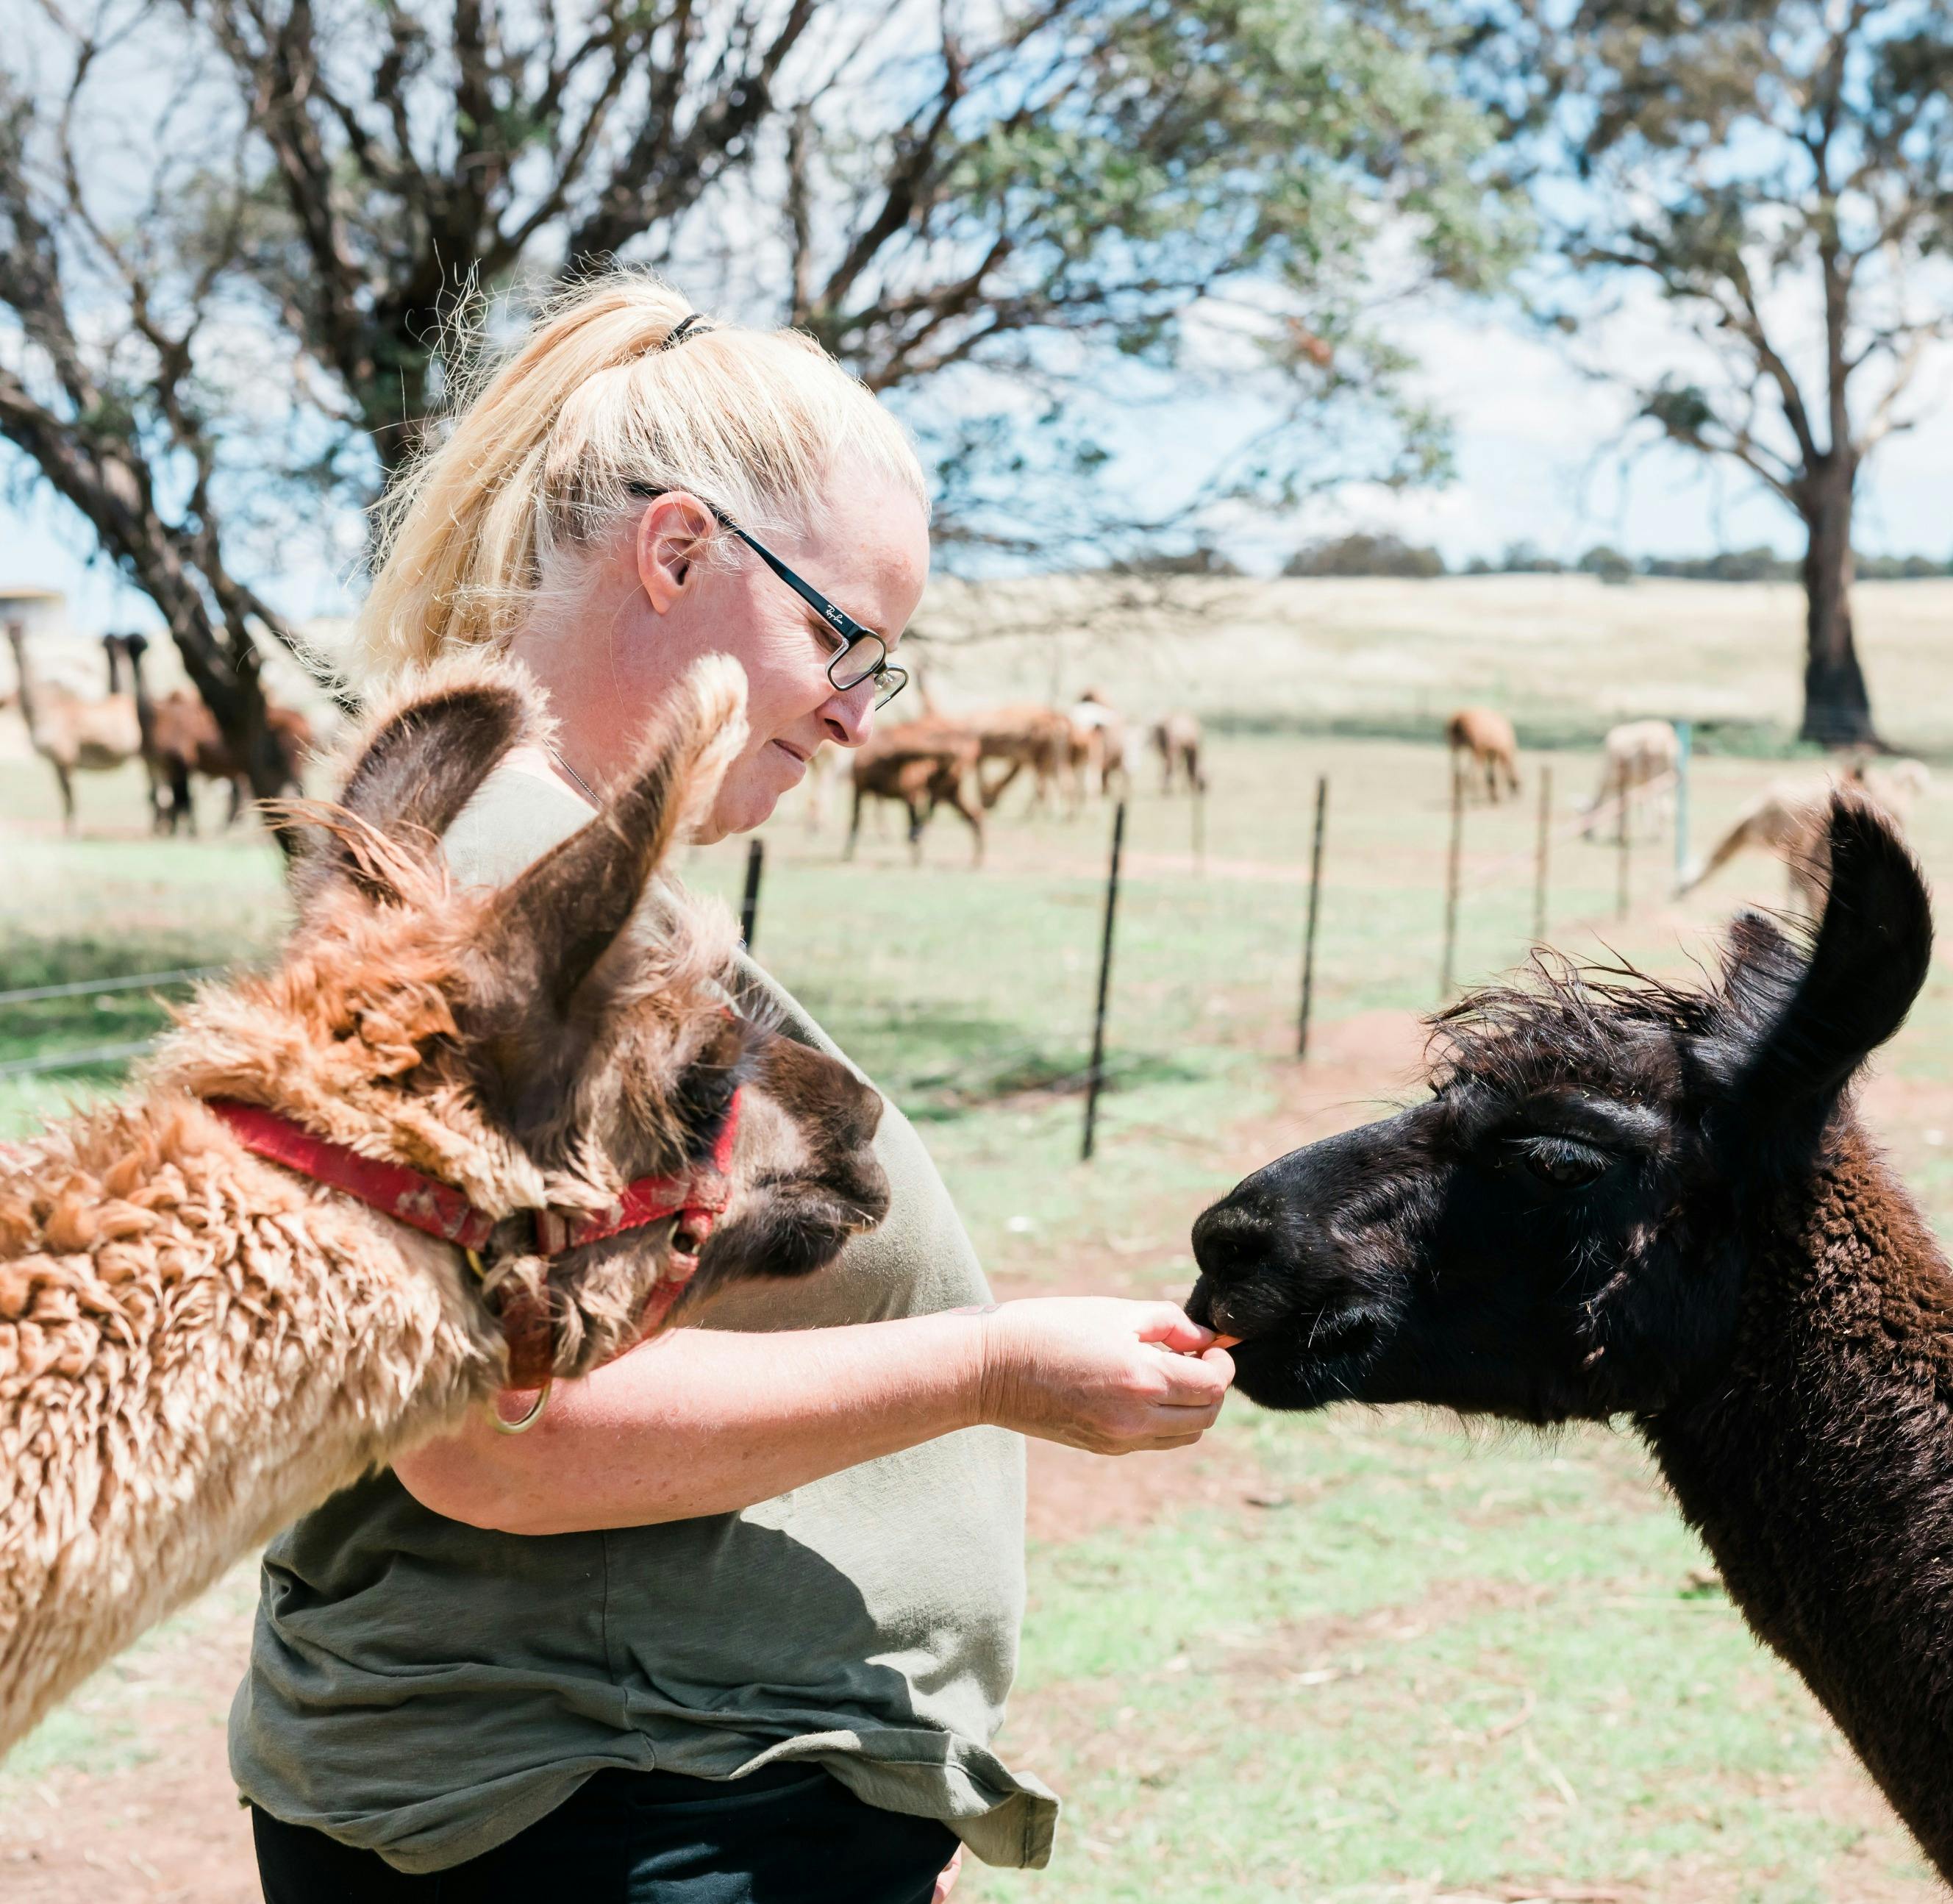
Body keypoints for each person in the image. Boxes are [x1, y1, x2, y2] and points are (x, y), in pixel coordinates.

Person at [233, 276, 1235, 1903]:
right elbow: (496, 1441)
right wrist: (990, 1367)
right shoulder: (508, 901)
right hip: (610, 1799)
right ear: (679, 553)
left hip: (631, 1782)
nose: (856, 712)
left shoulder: (543, 856)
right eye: (845, 639)